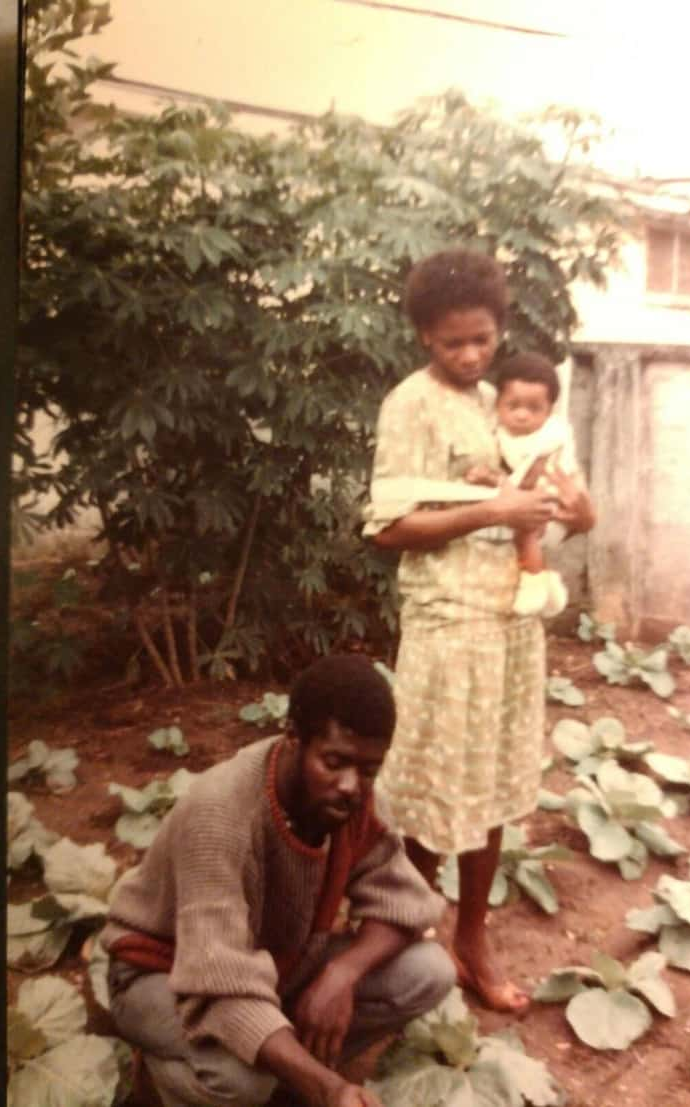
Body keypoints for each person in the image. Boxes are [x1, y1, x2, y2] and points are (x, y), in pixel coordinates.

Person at [363, 249, 594, 1014]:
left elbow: (546, 506)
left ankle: (472, 937)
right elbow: (389, 525)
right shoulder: (411, 405)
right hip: (448, 621)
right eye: (452, 341)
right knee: (433, 787)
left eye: (483, 339)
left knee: (491, 785)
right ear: (424, 335)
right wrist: (492, 511)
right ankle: (406, 940)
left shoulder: (508, 403)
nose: (470, 355)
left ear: (500, 329)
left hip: (509, 618)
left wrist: (559, 509)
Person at [100, 654, 455, 1107]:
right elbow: (218, 983)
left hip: (269, 965)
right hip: (164, 973)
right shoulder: (221, 815)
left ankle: (285, 1070)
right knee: (242, 1081)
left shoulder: (349, 800)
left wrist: (342, 974)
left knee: (428, 972)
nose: (351, 784)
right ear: (292, 738)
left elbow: (406, 904)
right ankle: (165, 1078)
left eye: (368, 769)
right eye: (335, 762)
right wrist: (329, 1089)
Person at [466, 351, 580, 619]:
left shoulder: (548, 438)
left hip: (550, 493)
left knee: (526, 532)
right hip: (522, 496)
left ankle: (535, 581)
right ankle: (548, 585)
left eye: (534, 408)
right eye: (513, 405)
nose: (521, 415)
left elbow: (529, 478)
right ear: (498, 404)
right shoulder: (498, 430)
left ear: (549, 410)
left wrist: (492, 478)